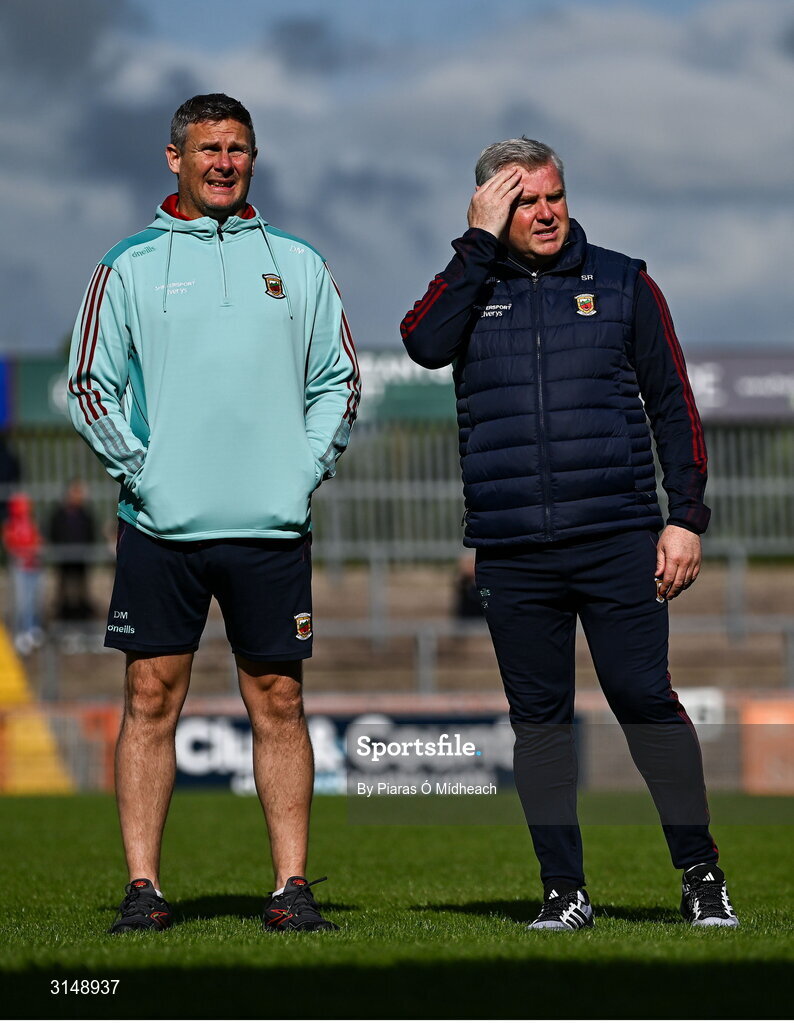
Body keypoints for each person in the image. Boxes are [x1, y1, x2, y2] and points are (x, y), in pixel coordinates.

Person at [400, 137, 737, 930]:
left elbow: (674, 406)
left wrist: (685, 518)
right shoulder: (467, 284)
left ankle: (701, 877)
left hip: (618, 536)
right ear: (490, 208)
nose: (546, 212)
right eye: (524, 201)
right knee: (539, 723)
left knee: (643, 698)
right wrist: (474, 248)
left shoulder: (624, 282)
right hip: (512, 551)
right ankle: (565, 892)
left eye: (554, 195)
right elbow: (421, 344)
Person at [67, 94, 360, 934]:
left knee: (279, 700)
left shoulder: (300, 263)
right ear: (175, 158)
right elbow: (90, 385)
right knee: (151, 697)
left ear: (253, 159)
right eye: (208, 148)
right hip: (163, 527)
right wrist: (144, 474)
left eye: (238, 148)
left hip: (270, 528)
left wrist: (301, 469)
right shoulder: (126, 265)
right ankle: (143, 889)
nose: (224, 162)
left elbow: (339, 382)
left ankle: (292, 888)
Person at [48, 479, 97, 621]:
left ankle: (82, 618)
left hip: (81, 561)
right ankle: (64, 618)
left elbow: (90, 535)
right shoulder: (58, 515)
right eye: (77, 492)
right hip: (64, 561)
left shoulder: (86, 515)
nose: (80, 496)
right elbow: (53, 533)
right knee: (64, 591)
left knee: (82, 591)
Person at [2, 491, 44, 654]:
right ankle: (21, 631)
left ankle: (33, 628)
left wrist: (36, 550)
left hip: (33, 566)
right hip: (20, 568)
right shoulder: (10, 524)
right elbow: (9, 544)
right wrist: (22, 553)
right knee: (22, 602)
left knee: (35, 599)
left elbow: (38, 540)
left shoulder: (31, 523)